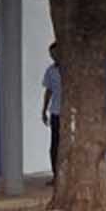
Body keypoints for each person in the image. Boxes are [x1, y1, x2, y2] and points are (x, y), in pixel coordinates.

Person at [41, 43, 64, 179]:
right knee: (54, 145)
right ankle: (56, 175)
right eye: (51, 55)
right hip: (55, 111)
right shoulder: (50, 71)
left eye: (56, 54)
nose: (54, 57)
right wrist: (44, 110)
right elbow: (48, 91)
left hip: (69, 113)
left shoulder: (70, 69)